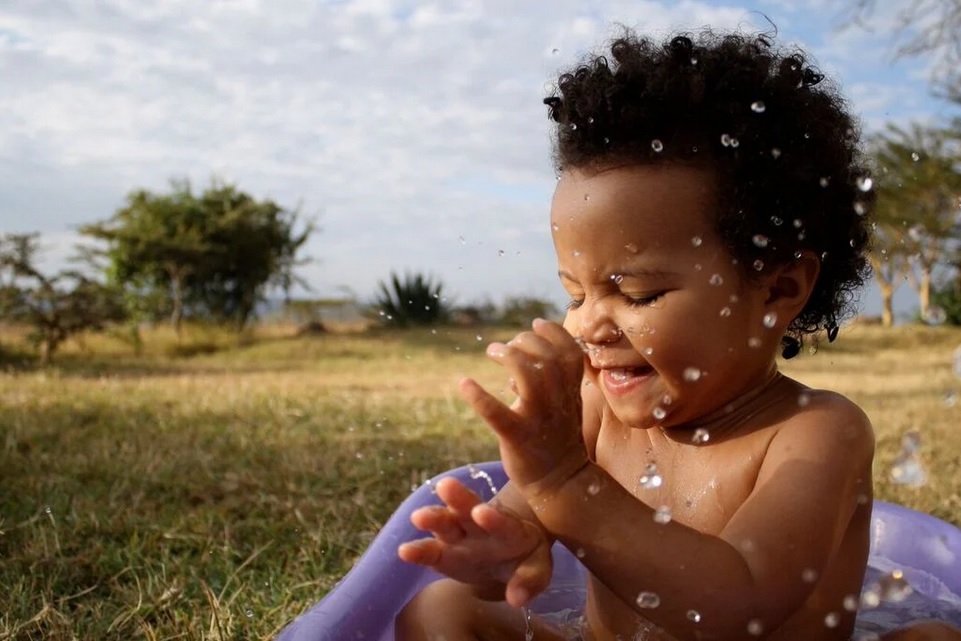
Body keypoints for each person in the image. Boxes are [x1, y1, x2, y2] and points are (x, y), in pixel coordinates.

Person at [394, 28, 961, 641]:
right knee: (439, 611)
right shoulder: (592, 412)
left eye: (638, 294)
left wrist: (566, 484)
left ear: (778, 289)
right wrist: (493, 552)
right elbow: (518, 532)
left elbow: (737, 604)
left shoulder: (815, 434)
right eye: (575, 295)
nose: (586, 323)